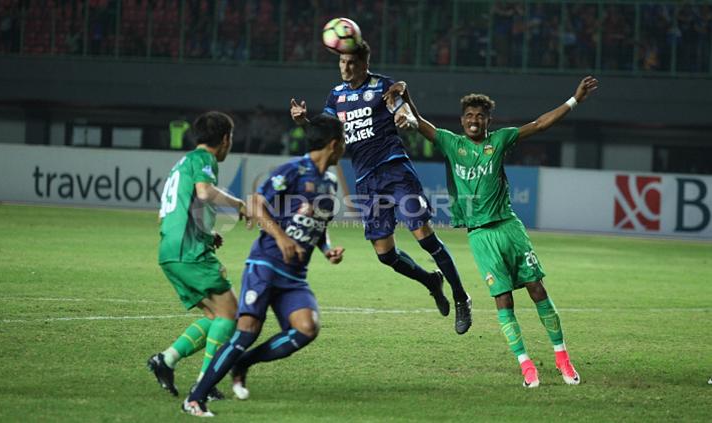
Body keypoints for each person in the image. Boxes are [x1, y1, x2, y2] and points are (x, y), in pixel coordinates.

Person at [393, 76, 598, 387]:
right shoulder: (451, 143)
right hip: (479, 236)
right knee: (503, 301)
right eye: (469, 116)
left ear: (488, 121)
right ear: (462, 121)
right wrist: (405, 97)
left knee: (537, 290)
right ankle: (526, 364)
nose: (474, 120)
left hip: (508, 227)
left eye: (480, 116)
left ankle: (563, 359)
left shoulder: (499, 141)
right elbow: (419, 122)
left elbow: (540, 124)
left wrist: (574, 100)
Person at [290, 40, 473, 335]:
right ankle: (430, 281)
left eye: (351, 63)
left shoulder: (383, 86)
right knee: (385, 254)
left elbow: (403, 111)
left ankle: (462, 297)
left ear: (364, 63)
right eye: (341, 63)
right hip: (366, 181)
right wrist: (303, 122)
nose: (345, 68)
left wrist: (403, 115)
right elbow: (321, 135)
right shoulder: (336, 97)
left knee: (424, 236)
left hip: (394, 169)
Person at [182, 114, 347, 417]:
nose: (345, 146)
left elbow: (317, 223)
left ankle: (244, 362)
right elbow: (256, 203)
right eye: (344, 139)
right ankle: (195, 397)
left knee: (306, 329)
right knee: (246, 332)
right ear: (334, 144)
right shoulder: (293, 170)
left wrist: (326, 249)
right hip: (266, 264)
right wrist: (282, 238)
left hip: (295, 275)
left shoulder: (330, 181)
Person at [148, 111, 251, 399]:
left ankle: (165, 360)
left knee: (215, 315)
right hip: (188, 251)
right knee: (231, 314)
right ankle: (205, 384)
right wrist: (240, 204)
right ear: (225, 139)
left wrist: (206, 235)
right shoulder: (203, 159)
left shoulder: (182, 164)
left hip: (170, 250)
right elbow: (204, 193)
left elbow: (167, 214)